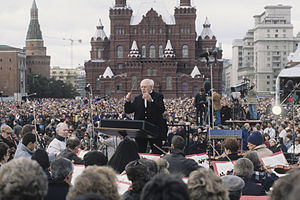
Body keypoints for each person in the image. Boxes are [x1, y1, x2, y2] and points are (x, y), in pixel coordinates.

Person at [125, 79, 166, 154]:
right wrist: (128, 101)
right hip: (141, 131)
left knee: (157, 151)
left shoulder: (158, 96)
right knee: (140, 151)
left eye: (145, 87)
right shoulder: (138, 98)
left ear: (151, 87)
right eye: (141, 87)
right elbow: (128, 110)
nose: (143, 89)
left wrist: (151, 101)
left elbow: (161, 110)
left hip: (154, 129)